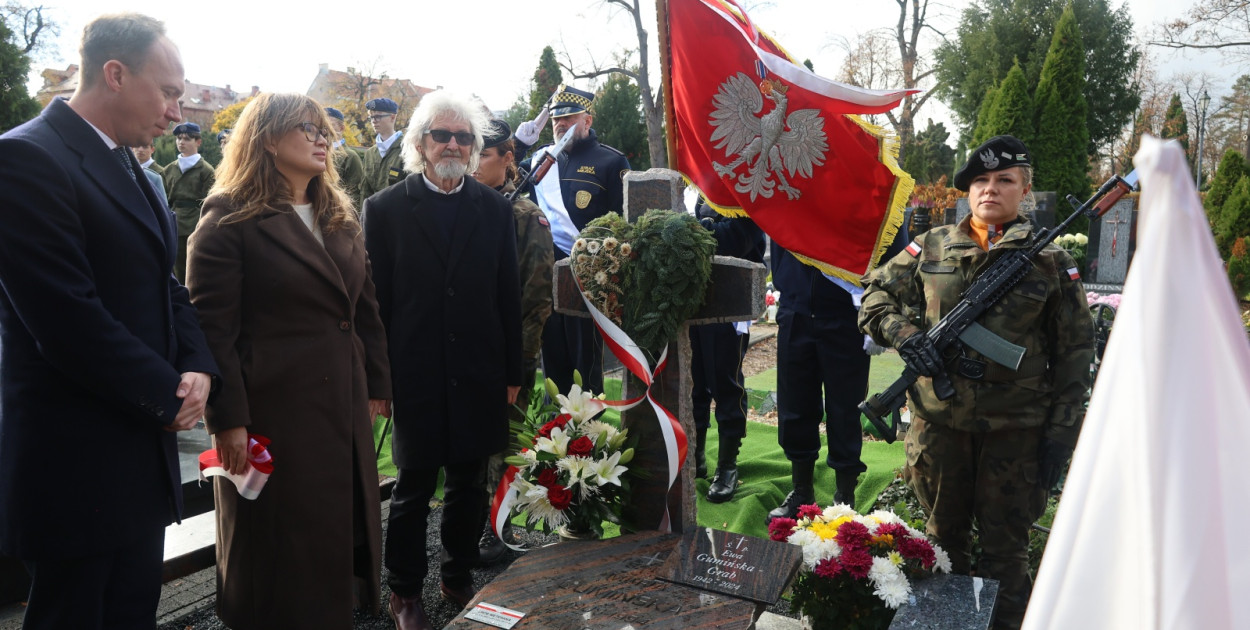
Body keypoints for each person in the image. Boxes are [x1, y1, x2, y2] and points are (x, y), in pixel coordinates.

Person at [0, 14, 218, 629]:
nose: (177, 112)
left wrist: (198, 365)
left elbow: (164, 282)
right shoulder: (26, 158)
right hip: (75, 467)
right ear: (115, 74)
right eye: (170, 91)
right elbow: (66, 318)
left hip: (137, 460)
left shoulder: (128, 166)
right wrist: (165, 393)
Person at [859, 135, 1094, 630]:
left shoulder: (1049, 261)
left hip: (1016, 432)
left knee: (1006, 551)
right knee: (942, 544)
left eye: (1004, 180)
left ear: (1023, 188)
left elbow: (1075, 355)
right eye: (980, 181)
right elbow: (875, 296)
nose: (990, 189)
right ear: (967, 192)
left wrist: (1061, 436)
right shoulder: (931, 246)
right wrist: (906, 336)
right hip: (939, 427)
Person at [186, 93, 393, 629]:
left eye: (326, 129)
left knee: (335, 536)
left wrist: (377, 382)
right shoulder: (227, 219)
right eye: (308, 128)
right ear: (268, 138)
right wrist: (228, 420)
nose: (324, 138)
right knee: (280, 553)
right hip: (273, 414)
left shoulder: (337, 215)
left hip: (341, 406)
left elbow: (365, 310)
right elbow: (213, 332)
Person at [363, 91, 522, 630]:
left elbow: (509, 296)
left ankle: (457, 575)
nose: (453, 144)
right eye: (441, 135)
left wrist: (513, 374)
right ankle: (405, 591)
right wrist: (376, 379)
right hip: (416, 370)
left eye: (464, 137)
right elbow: (374, 302)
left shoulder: (495, 210)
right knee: (413, 485)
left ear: (476, 149)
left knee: (469, 481)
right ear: (419, 144)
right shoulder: (384, 210)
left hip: (479, 368)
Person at [471, 119, 555, 563]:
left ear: (508, 159)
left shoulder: (524, 216)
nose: (472, 161)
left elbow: (537, 296)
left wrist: (519, 363)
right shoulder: (465, 206)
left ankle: (497, 529)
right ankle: (467, 521)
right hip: (465, 350)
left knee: (503, 443)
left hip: (506, 354)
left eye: (483, 154)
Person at [516, 84, 630, 396]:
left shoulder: (611, 162)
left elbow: (623, 225)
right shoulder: (541, 160)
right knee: (554, 365)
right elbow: (503, 180)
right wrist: (518, 144)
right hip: (546, 279)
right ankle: (557, 434)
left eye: (569, 118)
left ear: (587, 121)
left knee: (587, 369)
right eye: (556, 120)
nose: (561, 125)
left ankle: (588, 438)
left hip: (589, 280)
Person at [690, 199, 765, 503]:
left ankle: (727, 466)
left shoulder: (742, 188)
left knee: (725, 383)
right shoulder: (702, 188)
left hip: (730, 300)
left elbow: (737, 237)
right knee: (694, 384)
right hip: (694, 299)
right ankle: (694, 455)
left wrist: (695, 229)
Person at [162, 121, 215, 282]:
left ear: (198, 142)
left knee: (194, 269)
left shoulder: (206, 170)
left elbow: (210, 202)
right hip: (173, 222)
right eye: (178, 138)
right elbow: (163, 198)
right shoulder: (169, 169)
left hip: (196, 223)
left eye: (187, 138)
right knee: (175, 267)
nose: (181, 142)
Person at [359, 97, 407, 200]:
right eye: (371, 117)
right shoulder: (370, 153)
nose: (374, 121)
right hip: (371, 213)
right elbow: (364, 190)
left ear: (392, 117)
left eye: (378, 116)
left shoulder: (407, 150)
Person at [326, 106, 366, 211]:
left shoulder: (350, 156)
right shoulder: (316, 152)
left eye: (331, 124)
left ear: (342, 128)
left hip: (338, 214)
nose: (326, 128)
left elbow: (355, 196)